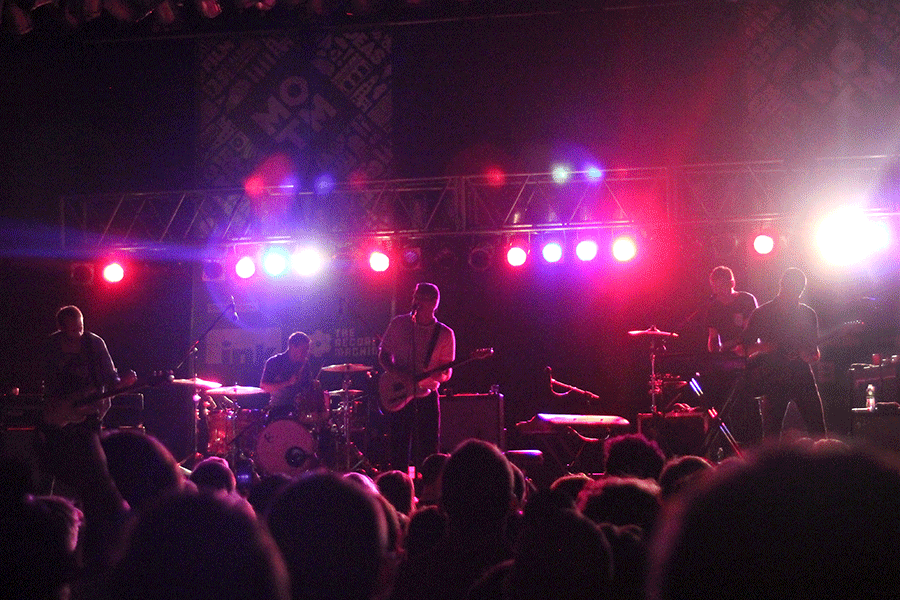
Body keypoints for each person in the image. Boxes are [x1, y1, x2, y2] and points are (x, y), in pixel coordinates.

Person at [741, 267, 826, 439]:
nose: (795, 294)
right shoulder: (762, 313)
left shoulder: (807, 313)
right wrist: (766, 347)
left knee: (818, 432)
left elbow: (814, 351)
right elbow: (743, 348)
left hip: (802, 377)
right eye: (792, 289)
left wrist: (811, 356)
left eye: (799, 290)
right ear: (782, 285)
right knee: (771, 437)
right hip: (773, 379)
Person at [379, 283, 455, 471]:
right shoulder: (399, 324)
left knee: (429, 448)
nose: (416, 302)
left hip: (427, 394)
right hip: (400, 391)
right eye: (415, 297)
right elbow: (383, 355)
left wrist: (442, 375)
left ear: (434, 303)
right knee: (398, 445)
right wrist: (400, 376)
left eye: (422, 298)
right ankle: (399, 487)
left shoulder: (445, 334)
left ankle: (427, 489)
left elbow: (447, 373)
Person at [41, 305, 134, 429]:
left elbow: (109, 374)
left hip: (92, 412)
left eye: (81, 328)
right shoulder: (51, 345)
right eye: (73, 330)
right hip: (61, 414)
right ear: (61, 328)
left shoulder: (95, 343)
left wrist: (120, 383)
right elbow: (48, 379)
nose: (79, 334)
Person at [260, 331, 323, 421]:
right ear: (293, 347)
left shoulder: (304, 365)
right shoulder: (274, 362)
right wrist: (288, 382)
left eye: (307, 350)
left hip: (299, 410)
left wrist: (314, 386)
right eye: (304, 350)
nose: (306, 353)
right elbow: (264, 387)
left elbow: (307, 388)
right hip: (278, 409)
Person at [706, 266, 757, 356]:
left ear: (731, 284)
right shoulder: (713, 307)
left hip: (749, 353)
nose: (718, 290)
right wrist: (714, 357)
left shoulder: (746, 299)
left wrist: (732, 344)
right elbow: (713, 337)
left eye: (721, 286)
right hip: (726, 356)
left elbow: (750, 331)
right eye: (715, 287)